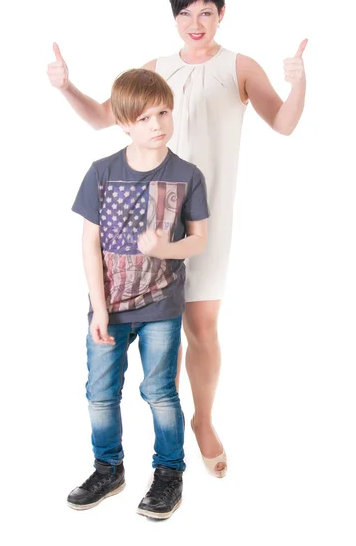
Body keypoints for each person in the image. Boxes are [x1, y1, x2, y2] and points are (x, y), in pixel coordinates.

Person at [48, 0, 307, 478]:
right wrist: (65, 87)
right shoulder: (157, 66)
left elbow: (282, 123)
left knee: (203, 325)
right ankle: (147, 449)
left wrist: (298, 83)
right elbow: (106, 116)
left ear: (221, 14)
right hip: (146, 219)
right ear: (174, 17)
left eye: (206, 13)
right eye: (186, 13)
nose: (197, 22)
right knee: (155, 321)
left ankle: (203, 419)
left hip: (206, 213)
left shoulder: (239, 67)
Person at [67, 69, 209, 519]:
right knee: (100, 393)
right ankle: (108, 468)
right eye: (145, 117)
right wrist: (98, 308)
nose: (157, 124)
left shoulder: (187, 175)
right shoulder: (101, 173)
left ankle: (169, 472)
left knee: (160, 391)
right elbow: (89, 242)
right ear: (124, 122)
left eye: (163, 112)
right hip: (109, 307)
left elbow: (199, 240)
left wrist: (165, 247)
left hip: (161, 306)